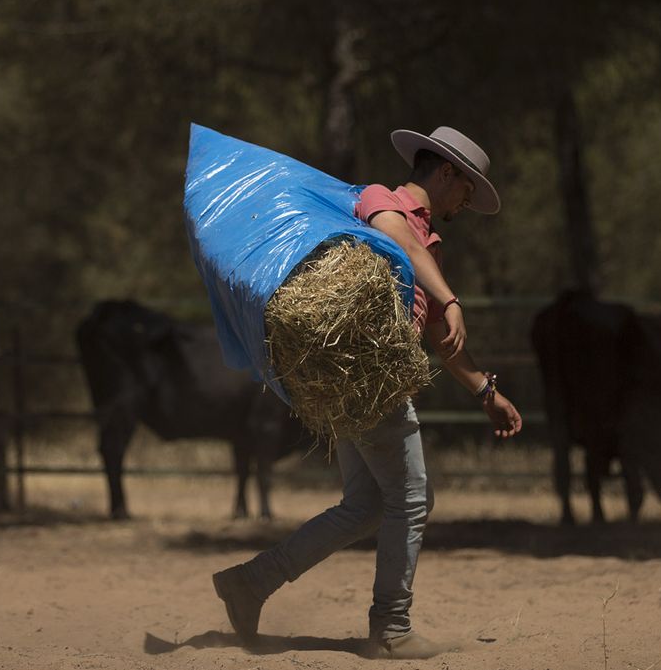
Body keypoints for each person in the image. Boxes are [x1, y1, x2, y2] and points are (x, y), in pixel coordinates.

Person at [212, 125, 524, 659]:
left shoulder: (431, 244)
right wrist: (450, 299)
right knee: (411, 498)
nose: (466, 202)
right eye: (467, 189)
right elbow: (396, 240)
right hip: (366, 379)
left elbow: (438, 340)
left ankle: (252, 582)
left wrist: (486, 390)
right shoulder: (383, 200)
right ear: (446, 171)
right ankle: (392, 627)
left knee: (364, 506)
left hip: (369, 383)